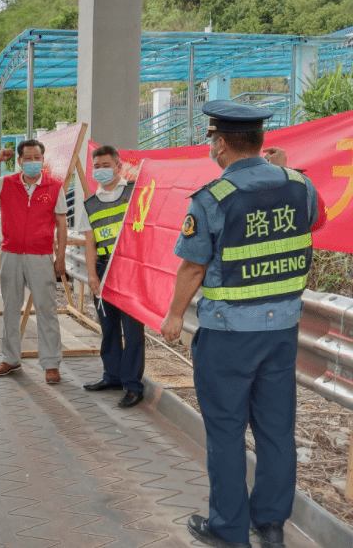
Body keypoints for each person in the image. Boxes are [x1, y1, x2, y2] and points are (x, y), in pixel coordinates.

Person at [160, 100, 325, 548]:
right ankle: (270, 523)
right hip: (282, 333)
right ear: (260, 141)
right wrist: (289, 174)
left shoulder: (213, 198)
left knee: (227, 431)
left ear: (219, 143)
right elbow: (317, 219)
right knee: (275, 428)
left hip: (228, 336)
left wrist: (174, 314)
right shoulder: (301, 186)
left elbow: (192, 268)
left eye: (211, 138)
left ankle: (229, 528)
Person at [0, 140, 67, 384]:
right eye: (28, 158)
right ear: (19, 161)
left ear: (43, 160)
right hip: (11, 254)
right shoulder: (6, 184)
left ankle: (51, 364)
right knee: (11, 309)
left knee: (47, 311)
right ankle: (10, 359)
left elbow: (62, 224)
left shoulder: (55, 187)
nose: (33, 162)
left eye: (37, 158)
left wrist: (61, 258)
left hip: (41, 256)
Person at [79, 145, 145, 408]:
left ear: (119, 166)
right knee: (108, 327)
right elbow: (89, 242)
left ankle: (132, 384)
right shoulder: (90, 203)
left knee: (132, 329)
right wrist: (92, 274)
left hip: (130, 268)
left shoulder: (133, 193)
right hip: (104, 267)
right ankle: (112, 375)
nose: (101, 170)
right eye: (97, 166)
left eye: (106, 165)